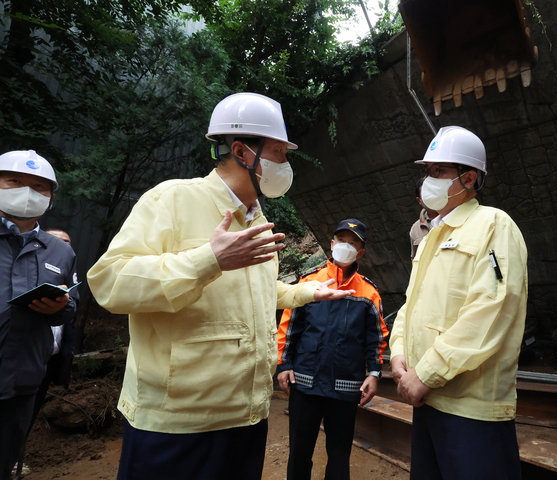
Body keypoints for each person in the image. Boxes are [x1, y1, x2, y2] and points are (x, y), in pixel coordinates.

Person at [87, 92, 353, 480]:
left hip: (247, 416)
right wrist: (207, 259)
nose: (285, 164)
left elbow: (254, 291)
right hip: (179, 422)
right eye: (279, 153)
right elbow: (109, 282)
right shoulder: (173, 198)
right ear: (243, 152)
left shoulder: (256, 218)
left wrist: (310, 293)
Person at [390, 126, 528, 480]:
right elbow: (412, 304)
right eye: (427, 171)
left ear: (468, 179)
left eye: (438, 172)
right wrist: (399, 352)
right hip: (427, 399)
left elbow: (490, 312)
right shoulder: (433, 233)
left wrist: (427, 373)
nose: (428, 180)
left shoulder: (494, 226)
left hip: (471, 411)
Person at [277, 218, 388, 480]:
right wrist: (283, 365)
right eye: (341, 241)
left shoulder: (369, 293)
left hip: (345, 387)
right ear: (331, 244)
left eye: (353, 244)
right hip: (305, 383)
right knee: (299, 453)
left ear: (360, 252)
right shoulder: (309, 283)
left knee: (339, 455)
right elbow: (289, 327)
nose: (345, 247)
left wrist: (374, 373)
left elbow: (377, 338)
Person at [0, 151, 79, 480]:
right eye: (15, 181)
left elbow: (71, 307)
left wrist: (61, 308)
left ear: (51, 197)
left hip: (22, 381)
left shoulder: (61, 251)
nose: (27, 192)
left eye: (39, 186)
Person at [409, 178, 438, 259]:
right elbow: (415, 260)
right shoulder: (415, 229)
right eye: (426, 195)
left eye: (434, 192)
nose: (431, 197)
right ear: (419, 201)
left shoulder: (456, 217)